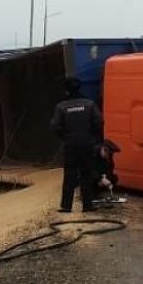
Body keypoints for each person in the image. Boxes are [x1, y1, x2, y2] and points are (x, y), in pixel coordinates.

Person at [50, 77, 103, 212]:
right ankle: (88, 206)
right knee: (86, 174)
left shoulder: (61, 107)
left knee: (69, 175)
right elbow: (100, 121)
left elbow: (55, 126)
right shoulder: (89, 104)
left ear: (67, 90)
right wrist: (92, 136)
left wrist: (64, 137)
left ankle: (66, 206)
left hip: (70, 146)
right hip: (87, 144)